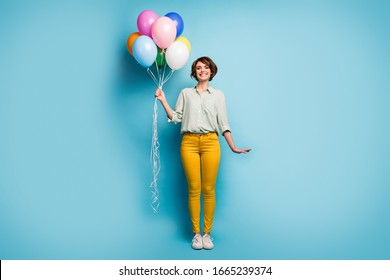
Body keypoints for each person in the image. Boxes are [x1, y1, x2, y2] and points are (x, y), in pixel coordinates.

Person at [155, 56, 251, 250]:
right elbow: (175, 117)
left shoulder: (218, 95)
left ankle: (207, 234)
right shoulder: (185, 93)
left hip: (210, 142)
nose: (202, 70)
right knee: (193, 189)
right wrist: (163, 100)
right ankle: (196, 235)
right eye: (198, 68)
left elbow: (223, 124)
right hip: (189, 142)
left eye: (206, 67)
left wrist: (233, 146)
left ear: (211, 71)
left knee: (208, 190)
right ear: (194, 72)